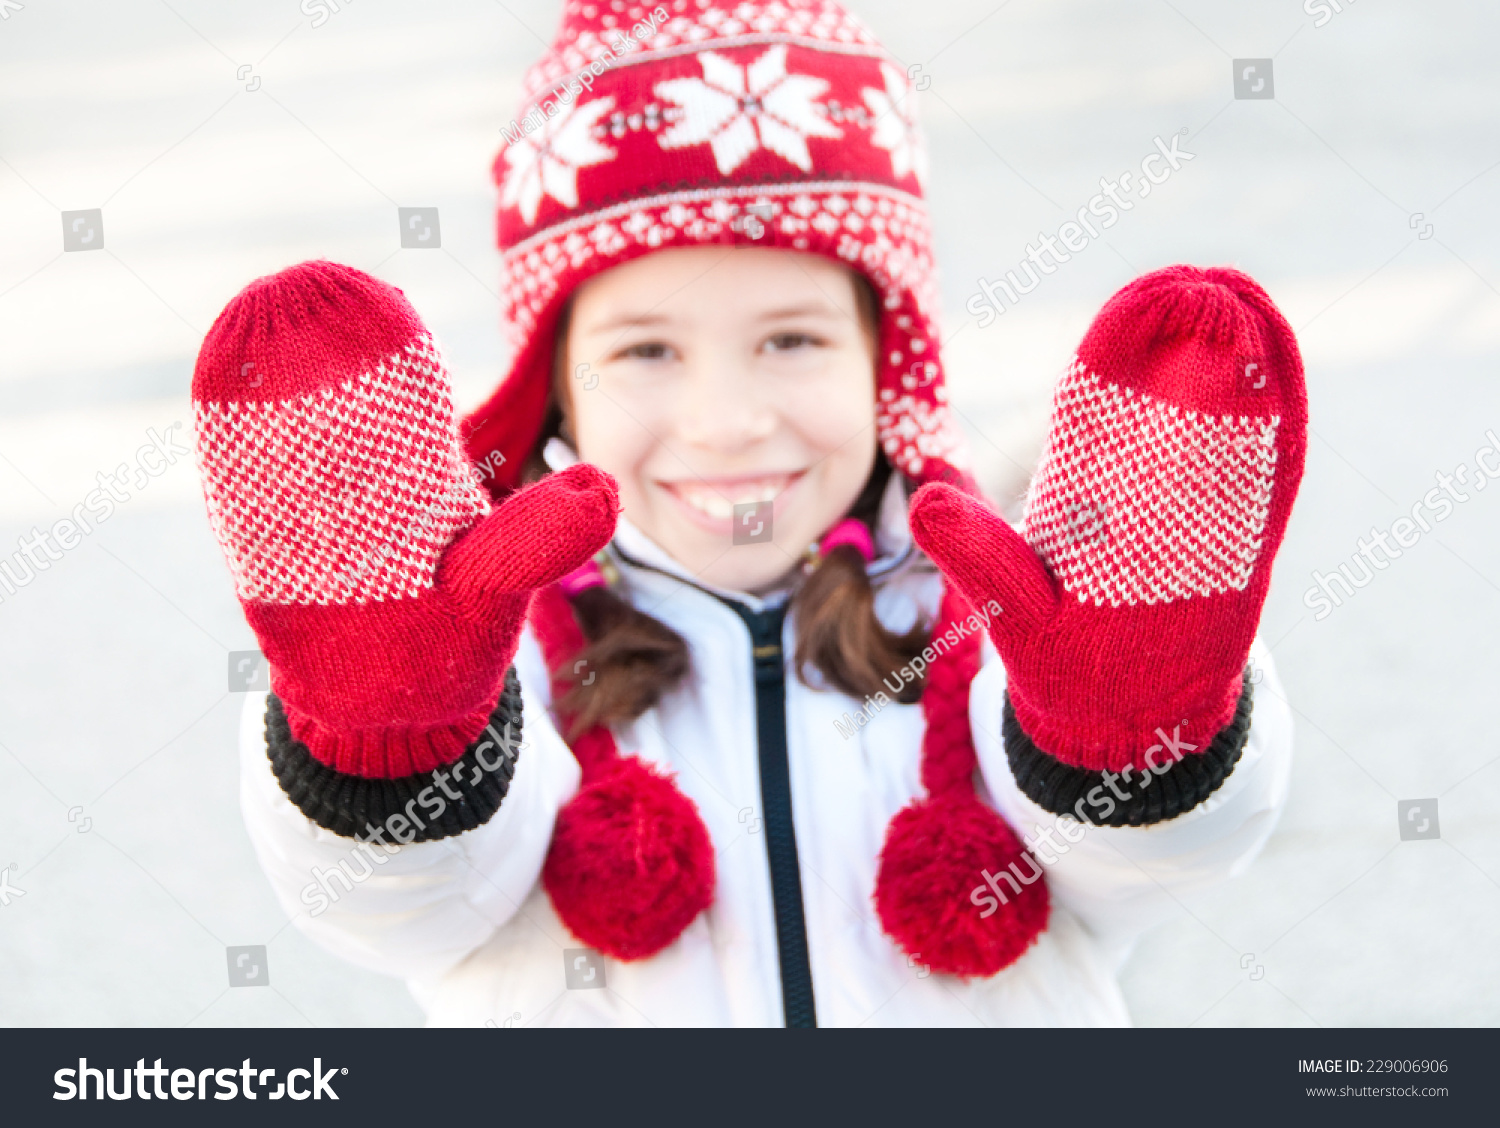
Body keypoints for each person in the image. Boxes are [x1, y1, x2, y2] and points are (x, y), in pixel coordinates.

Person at [191, 0, 1306, 1026]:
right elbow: (405, 911)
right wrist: (395, 736)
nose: (726, 421)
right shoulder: (487, 649)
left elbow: (1154, 870)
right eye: (647, 350)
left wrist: (1127, 731)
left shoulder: (1010, 624)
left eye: (792, 339)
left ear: (887, 357)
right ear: (558, 382)